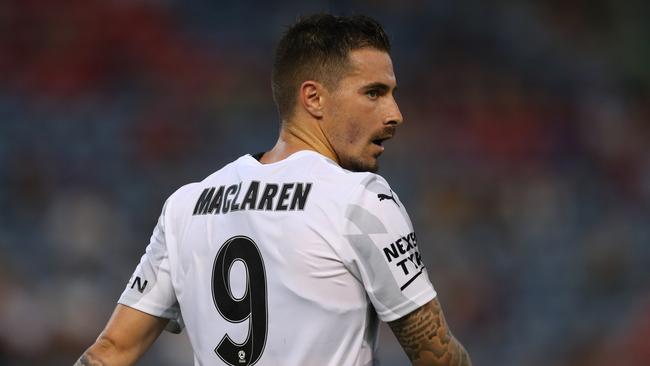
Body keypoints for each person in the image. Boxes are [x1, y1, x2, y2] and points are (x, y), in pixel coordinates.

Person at [75, 14, 472, 366]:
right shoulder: (362, 200)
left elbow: (109, 352)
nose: (395, 114)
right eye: (374, 93)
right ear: (313, 97)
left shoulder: (186, 206)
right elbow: (436, 357)